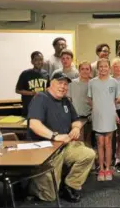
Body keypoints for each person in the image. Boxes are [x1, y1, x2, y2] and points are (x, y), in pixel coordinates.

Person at [27, 72, 95, 203]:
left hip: (64, 147)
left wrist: (76, 128)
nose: (63, 86)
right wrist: (54, 136)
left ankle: (69, 185)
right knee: (49, 196)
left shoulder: (66, 101)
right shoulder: (40, 98)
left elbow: (76, 120)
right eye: (60, 83)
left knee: (88, 154)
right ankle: (32, 184)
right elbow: (34, 124)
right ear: (50, 83)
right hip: (46, 150)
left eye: (65, 84)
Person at [88, 58, 120, 181]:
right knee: (100, 143)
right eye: (100, 66)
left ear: (109, 68)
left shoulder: (114, 82)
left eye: (105, 66)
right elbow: (90, 99)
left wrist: (109, 109)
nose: (103, 69)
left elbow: (115, 99)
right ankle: (101, 168)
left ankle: (108, 168)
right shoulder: (92, 82)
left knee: (108, 143)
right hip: (97, 116)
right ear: (97, 68)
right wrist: (98, 109)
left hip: (109, 116)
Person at [16, 51, 49, 117]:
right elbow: (18, 90)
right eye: (36, 60)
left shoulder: (46, 74)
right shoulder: (25, 74)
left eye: (41, 59)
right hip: (29, 108)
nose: (39, 62)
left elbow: (48, 88)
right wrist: (33, 93)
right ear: (32, 62)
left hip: (43, 108)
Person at [67, 61, 92, 145]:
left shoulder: (93, 83)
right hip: (77, 118)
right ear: (79, 70)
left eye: (87, 69)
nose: (85, 71)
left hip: (90, 117)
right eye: (82, 69)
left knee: (89, 142)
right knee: (79, 142)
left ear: (90, 71)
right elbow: (68, 100)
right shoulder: (72, 83)